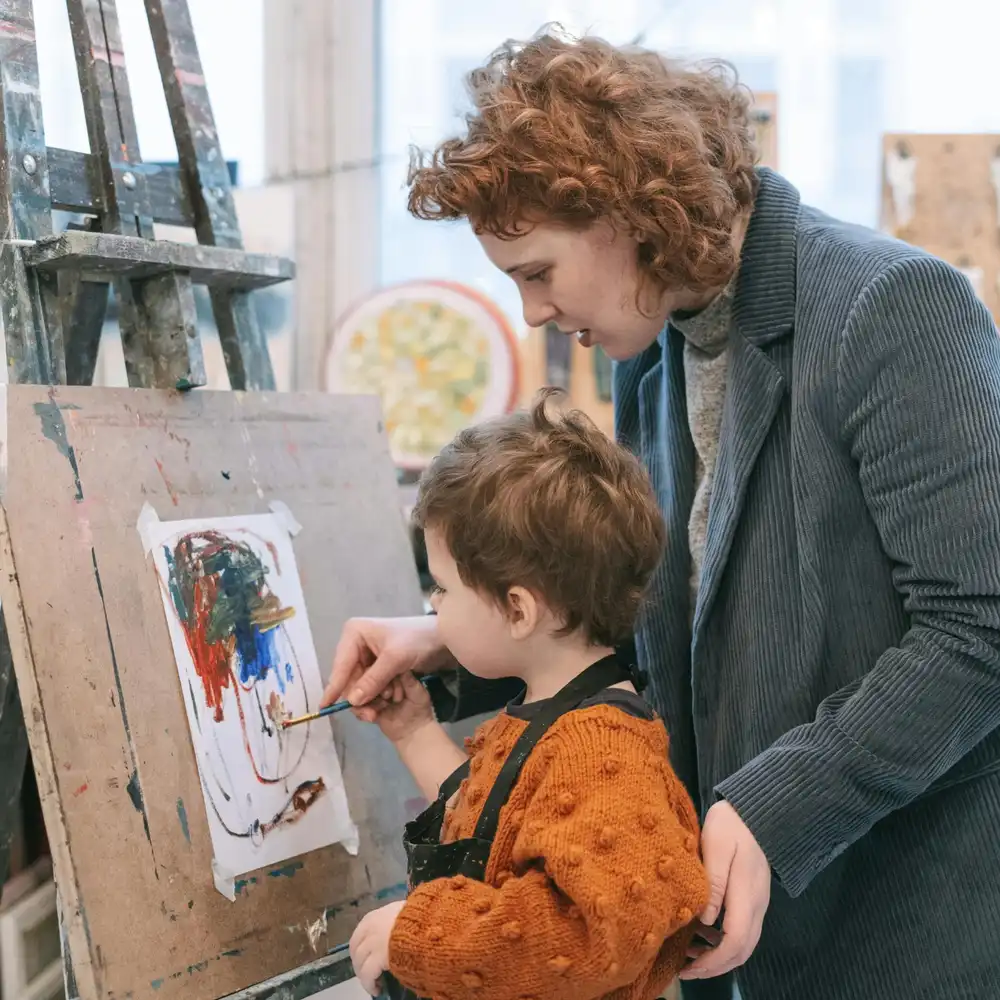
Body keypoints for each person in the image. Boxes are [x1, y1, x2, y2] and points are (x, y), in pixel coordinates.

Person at [325, 28, 1000, 1000]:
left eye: (536, 271)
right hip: (754, 947)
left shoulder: (889, 307)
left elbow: (980, 625)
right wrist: (449, 634)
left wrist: (774, 806)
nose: (530, 313)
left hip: (910, 930)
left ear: (625, 208)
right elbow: (672, 629)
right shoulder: (658, 345)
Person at [347, 392, 710, 1000]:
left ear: (517, 609)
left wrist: (418, 935)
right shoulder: (555, 716)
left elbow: (584, 933)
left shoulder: (600, 750)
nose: (432, 608)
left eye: (441, 589)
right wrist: (413, 731)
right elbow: (496, 822)